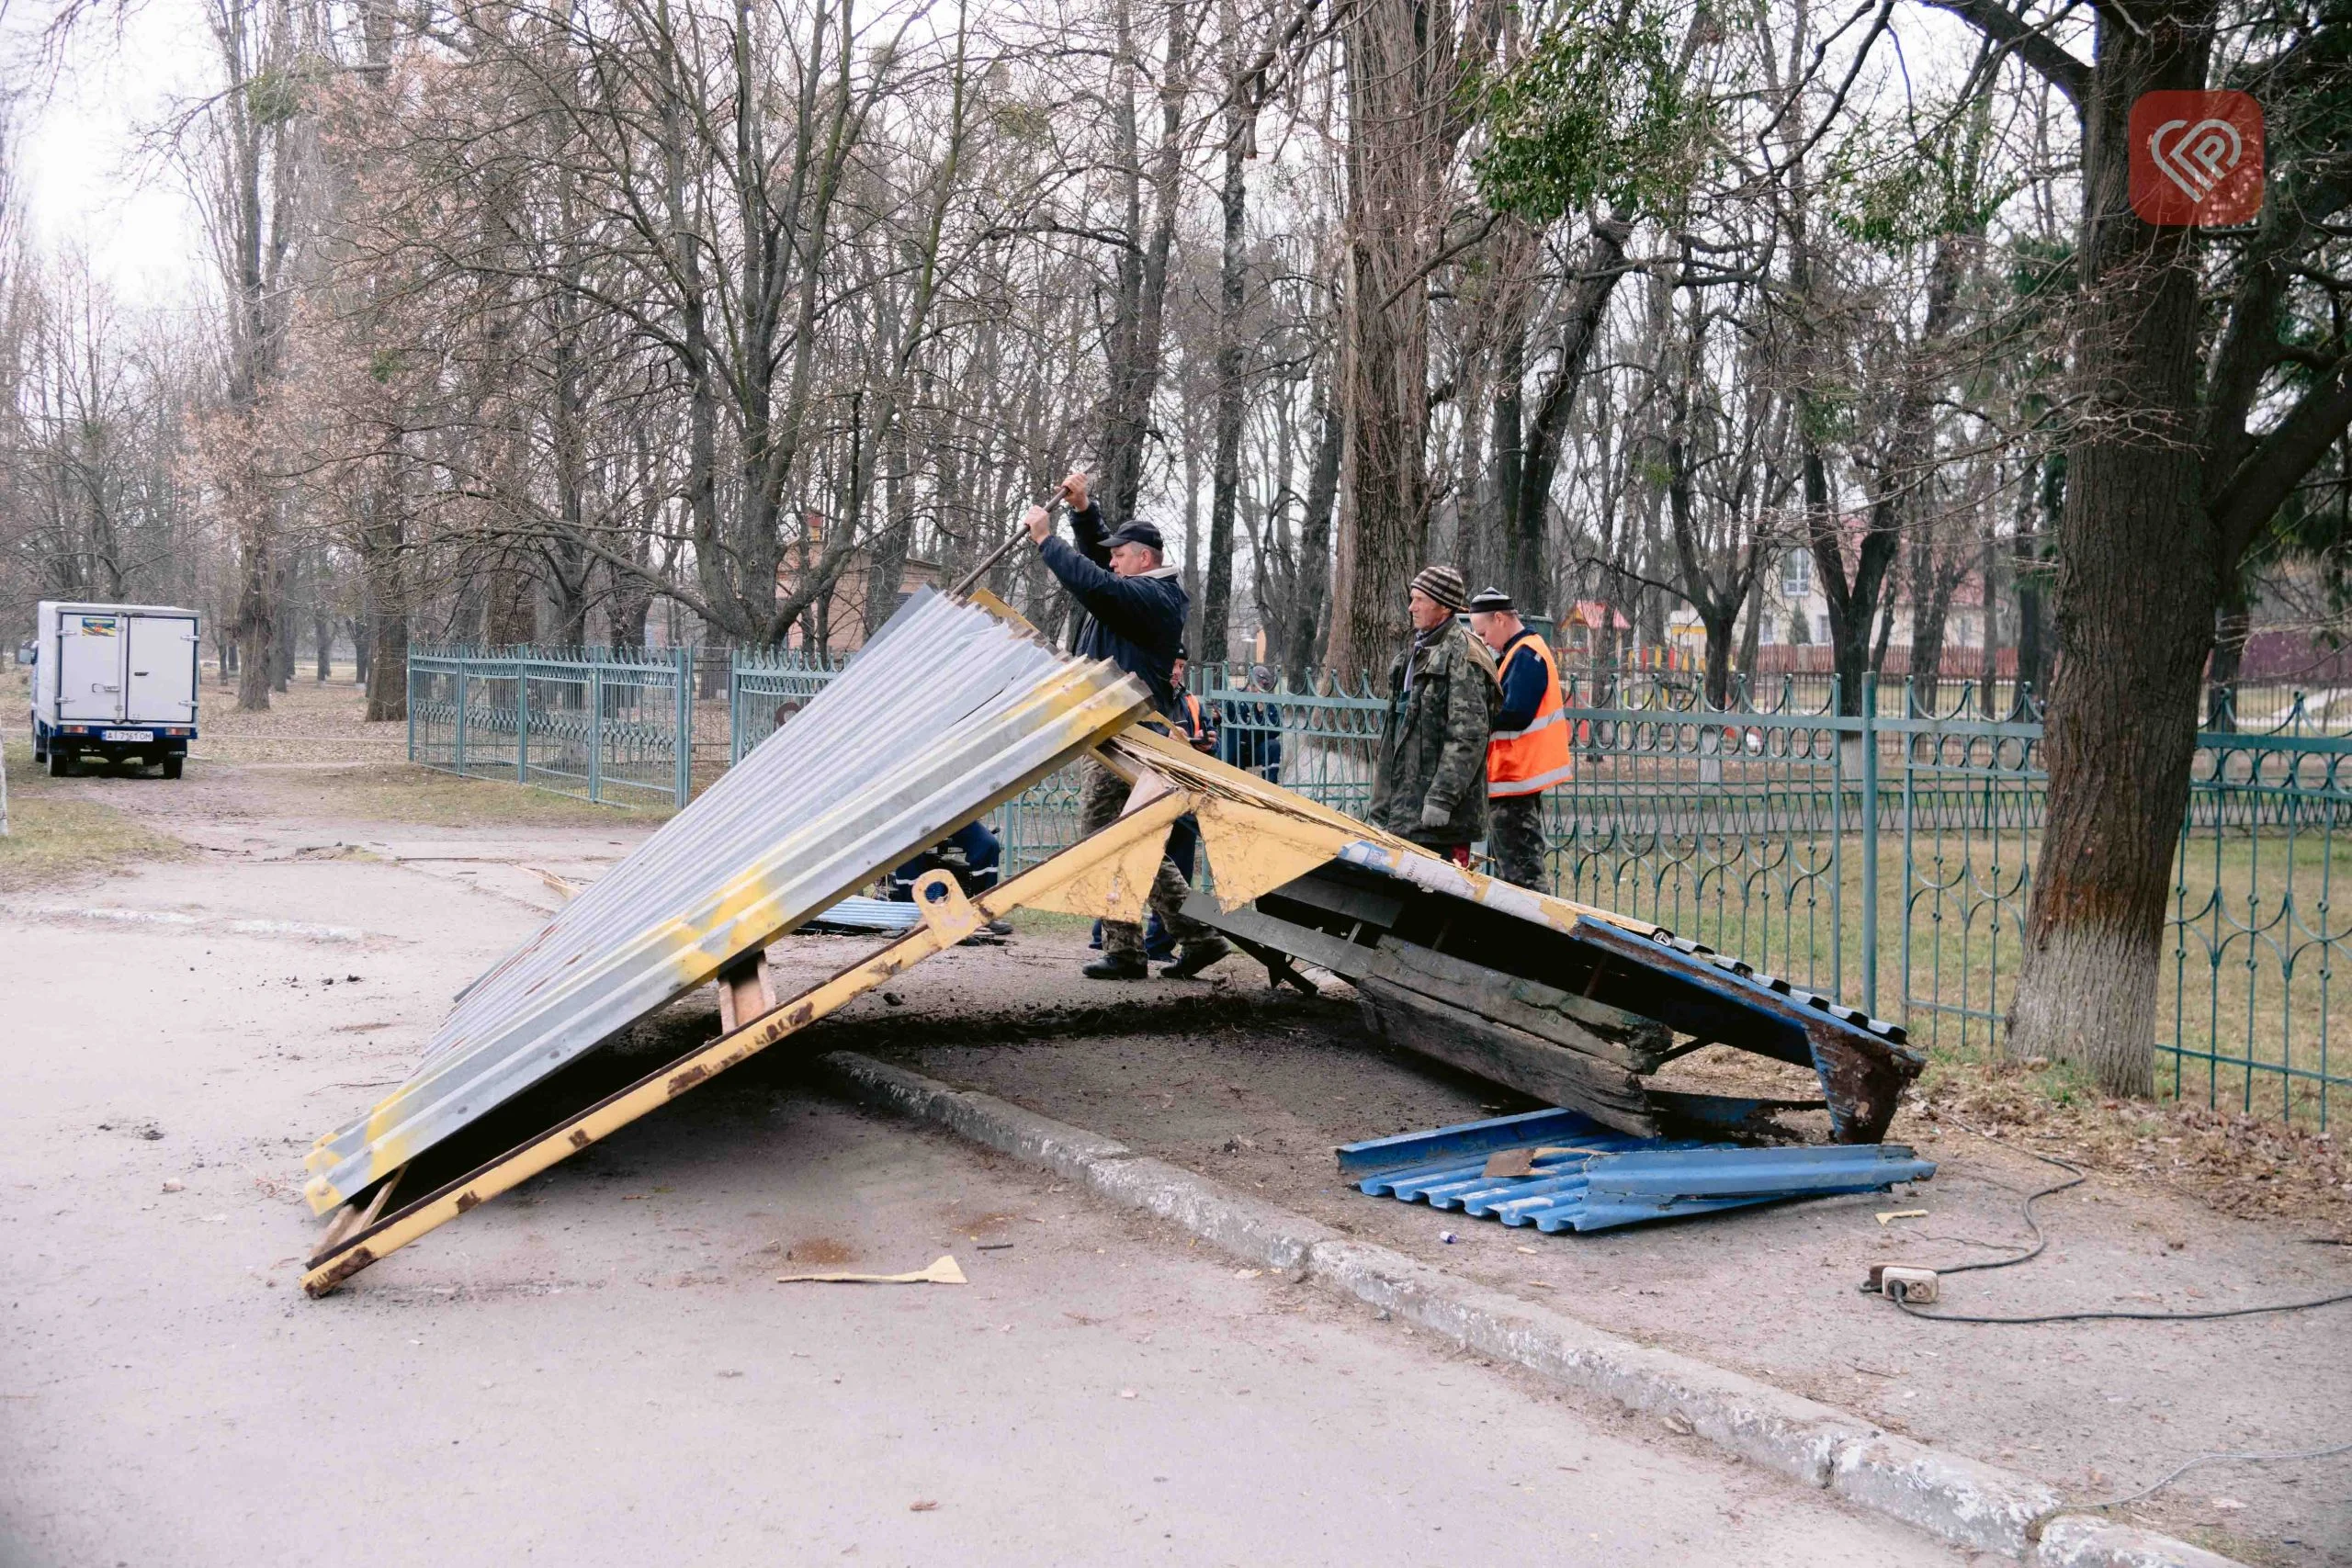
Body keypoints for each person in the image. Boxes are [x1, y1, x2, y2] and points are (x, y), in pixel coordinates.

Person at [1027, 472, 1233, 981]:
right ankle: (1168, 941)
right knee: (1125, 838)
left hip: (1129, 730)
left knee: (1107, 836)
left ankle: (1143, 945)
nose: (1112, 561)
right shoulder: (1139, 590)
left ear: (1144, 559)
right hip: (1116, 727)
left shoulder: (1155, 599)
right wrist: (1083, 511)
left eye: (1120, 555)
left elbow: (1096, 583)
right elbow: (1102, 569)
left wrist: (1047, 541)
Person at [1367, 565, 1497, 866]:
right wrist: (1382, 805)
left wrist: (1442, 798)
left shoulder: (1464, 655)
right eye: (1412, 599)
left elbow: (1468, 736)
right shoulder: (1416, 651)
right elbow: (1397, 736)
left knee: (1438, 896)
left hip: (1440, 824)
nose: (1411, 607)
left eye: (1419, 600)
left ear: (1443, 606)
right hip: (1404, 815)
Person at [1468, 587, 1571, 890]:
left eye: (1484, 633)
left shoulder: (1527, 654)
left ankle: (1535, 923)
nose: (1485, 641)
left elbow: (1516, 712)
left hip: (1515, 779)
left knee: (1522, 880)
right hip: (1512, 780)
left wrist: (1473, 714)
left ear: (1500, 619)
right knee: (1516, 875)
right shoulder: (1520, 653)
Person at [1216, 662, 1284, 783]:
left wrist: (1262, 713)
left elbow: (1276, 729)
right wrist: (1217, 714)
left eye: (1263, 686)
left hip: (1255, 748)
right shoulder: (1235, 695)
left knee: (1273, 746)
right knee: (1234, 738)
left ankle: (1270, 785)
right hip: (1234, 749)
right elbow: (1220, 712)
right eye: (1255, 684)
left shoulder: (1269, 703)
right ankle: (1228, 781)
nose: (1258, 689)